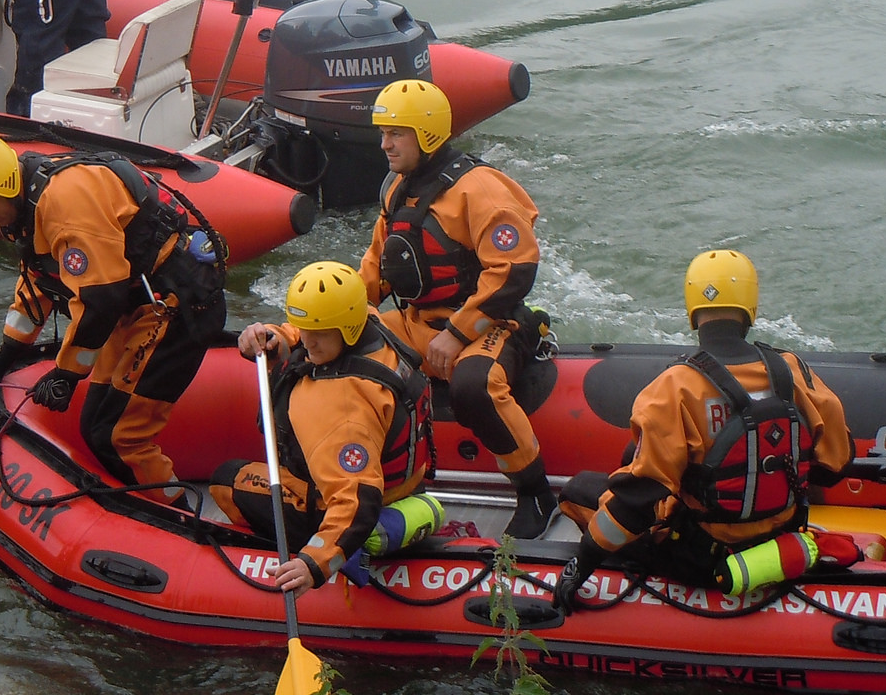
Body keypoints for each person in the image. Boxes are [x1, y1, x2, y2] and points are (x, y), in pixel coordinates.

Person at [552, 250, 853, 612]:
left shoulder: (673, 388)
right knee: (635, 460)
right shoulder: (793, 370)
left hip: (704, 558)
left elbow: (637, 504)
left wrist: (580, 566)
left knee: (578, 490)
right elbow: (835, 463)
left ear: (693, 309)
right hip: (779, 538)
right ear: (749, 305)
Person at [0, 131, 226, 506]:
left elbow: (100, 301)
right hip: (134, 307)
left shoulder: (65, 204)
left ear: (4, 183)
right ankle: (146, 503)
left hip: (172, 308)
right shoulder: (28, 204)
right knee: (95, 426)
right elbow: (40, 280)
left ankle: (178, 514)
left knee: (117, 435)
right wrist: (7, 353)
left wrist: (65, 374)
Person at [358, 79, 557, 536]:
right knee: (348, 355)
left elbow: (514, 271)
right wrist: (342, 315)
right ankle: (380, 482)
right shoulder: (395, 191)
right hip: (416, 324)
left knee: (474, 386)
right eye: (383, 133)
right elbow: (377, 265)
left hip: (491, 325)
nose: (384, 144)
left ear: (427, 134)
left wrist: (459, 332)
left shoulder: (479, 189)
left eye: (396, 133)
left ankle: (536, 493)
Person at [210, 262, 440, 594]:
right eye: (305, 329)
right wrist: (277, 336)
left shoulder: (342, 406)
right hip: (405, 486)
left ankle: (292, 541)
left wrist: (315, 563)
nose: (309, 342)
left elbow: (356, 498)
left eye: (319, 333)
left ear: (346, 327)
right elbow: (307, 331)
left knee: (225, 480)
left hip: (357, 505)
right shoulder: (369, 320)